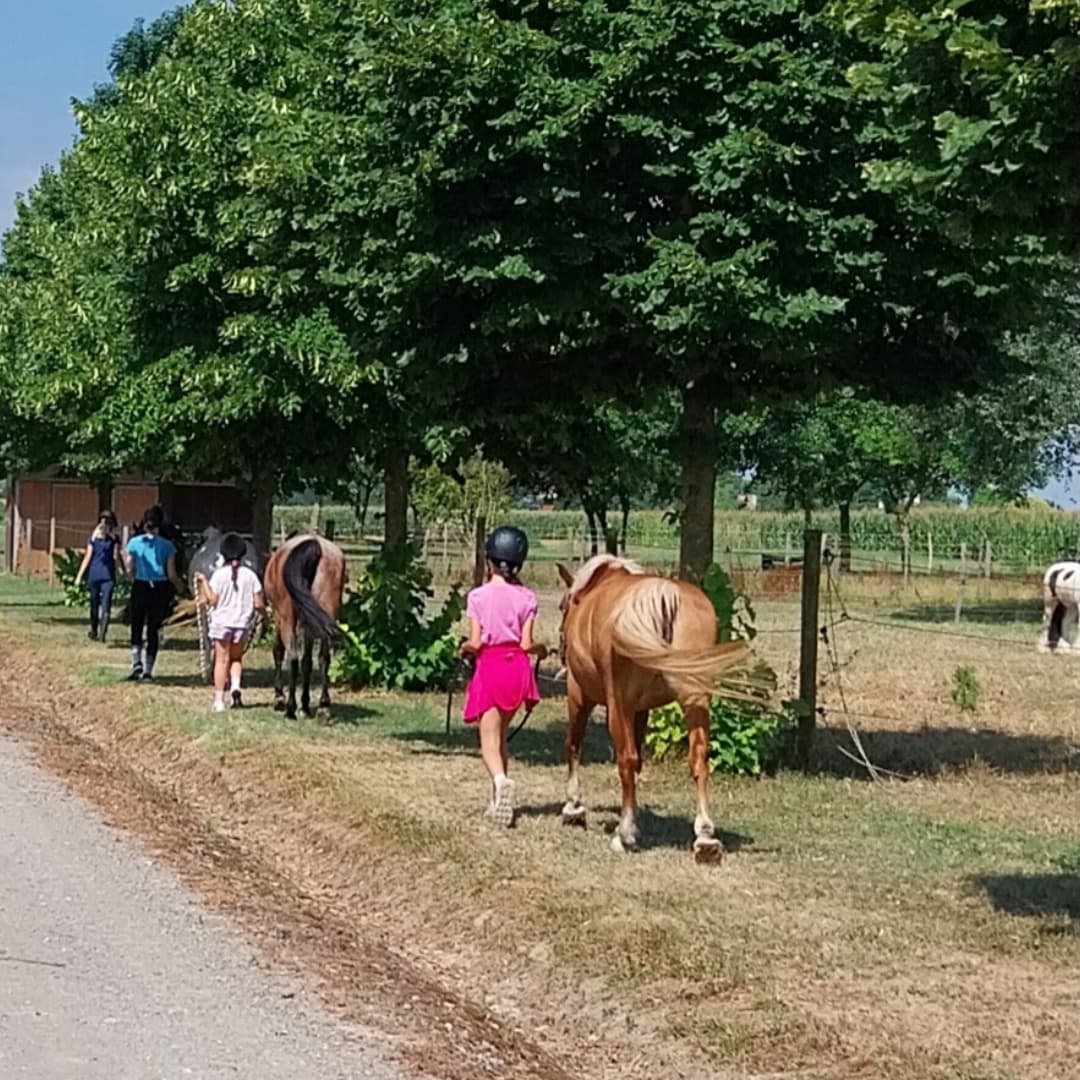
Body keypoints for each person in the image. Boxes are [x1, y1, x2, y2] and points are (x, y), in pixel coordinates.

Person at [460, 526, 546, 827]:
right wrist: (543, 650)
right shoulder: (528, 598)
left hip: (492, 667)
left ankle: (500, 781)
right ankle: (497, 801)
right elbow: (526, 644)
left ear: (491, 560)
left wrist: (464, 649)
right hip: (518, 669)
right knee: (502, 739)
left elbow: (476, 642)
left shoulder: (478, 597)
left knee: (488, 740)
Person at [193, 533, 264, 713]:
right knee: (236, 658)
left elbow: (212, 600)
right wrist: (265, 615)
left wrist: (203, 583)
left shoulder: (219, 575)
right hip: (241, 623)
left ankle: (219, 700)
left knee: (221, 660)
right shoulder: (251, 576)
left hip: (222, 623)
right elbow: (258, 603)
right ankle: (235, 687)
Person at [123, 506, 180, 682]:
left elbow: (129, 567)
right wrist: (179, 586)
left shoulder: (134, 543)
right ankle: (148, 670)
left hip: (140, 585)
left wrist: (134, 577)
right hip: (159, 588)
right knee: (153, 629)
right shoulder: (167, 546)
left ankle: (136, 663)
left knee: (137, 625)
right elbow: (171, 573)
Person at [73, 509, 123, 642]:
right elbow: (115, 557)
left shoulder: (98, 539)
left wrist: (79, 576)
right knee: (101, 605)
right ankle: (99, 631)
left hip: (99, 575)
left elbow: (89, 557)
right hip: (104, 575)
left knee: (98, 604)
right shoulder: (107, 539)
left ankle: (98, 631)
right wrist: (122, 571)